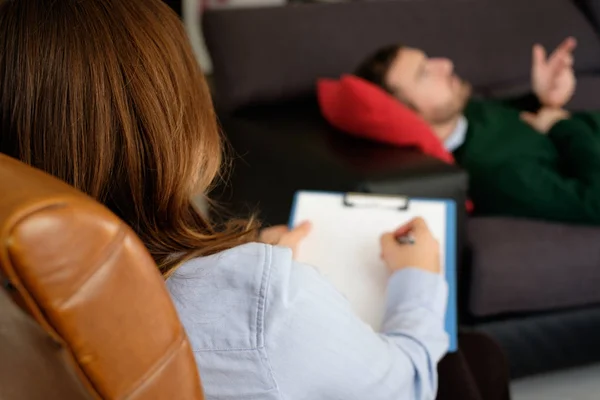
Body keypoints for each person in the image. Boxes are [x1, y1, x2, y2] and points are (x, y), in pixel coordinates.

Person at [0, 1, 454, 399]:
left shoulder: (27, 302)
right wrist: (417, 279)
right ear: (179, 114)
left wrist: (247, 266)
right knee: (474, 360)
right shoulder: (267, 310)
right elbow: (408, 384)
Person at [356, 38, 600, 225]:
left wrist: (542, 99)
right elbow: (593, 203)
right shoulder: (496, 173)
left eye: (429, 60)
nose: (445, 64)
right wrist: (562, 125)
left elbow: (506, 119)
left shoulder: (463, 113)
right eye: (424, 74)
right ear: (405, 116)